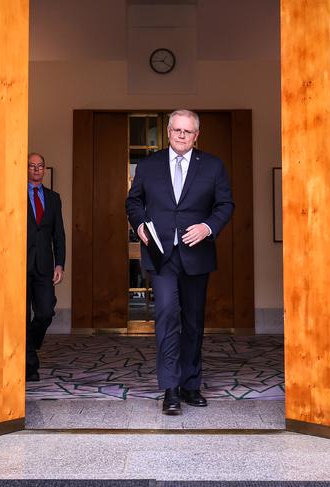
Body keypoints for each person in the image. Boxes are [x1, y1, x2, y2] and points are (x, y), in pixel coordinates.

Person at [126, 109, 234, 415]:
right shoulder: (148, 165)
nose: (182, 136)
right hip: (161, 255)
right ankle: (170, 389)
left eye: (188, 132)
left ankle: (190, 384)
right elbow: (133, 202)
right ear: (168, 131)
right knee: (167, 315)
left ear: (196, 135)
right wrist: (140, 225)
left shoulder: (212, 166)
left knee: (193, 321)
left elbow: (226, 204)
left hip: (196, 254)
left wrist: (208, 227)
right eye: (176, 131)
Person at [26, 152, 65, 382]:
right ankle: (30, 366)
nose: (36, 170)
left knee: (45, 311)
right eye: (32, 166)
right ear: (26, 169)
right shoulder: (15, 194)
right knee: (21, 316)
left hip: (44, 264)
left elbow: (58, 234)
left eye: (40, 166)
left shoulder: (53, 198)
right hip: (19, 262)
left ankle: (28, 343)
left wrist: (59, 263)